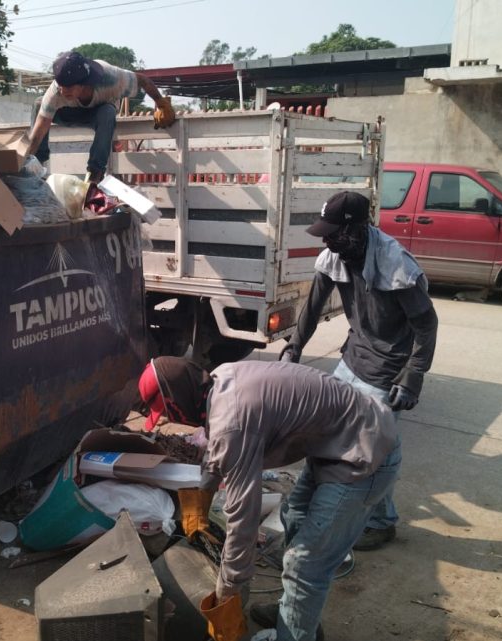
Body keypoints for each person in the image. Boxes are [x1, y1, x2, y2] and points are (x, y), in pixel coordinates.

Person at [138, 356, 401, 641]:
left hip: (364, 452)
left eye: (167, 412)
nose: (170, 419)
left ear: (178, 401)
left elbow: (243, 520)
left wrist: (227, 594)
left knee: (305, 565)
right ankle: (297, 613)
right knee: (294, 516)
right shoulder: (219, 381)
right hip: (337, 441)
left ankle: (297, 632)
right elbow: (218, 449)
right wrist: (199, 502)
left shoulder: (233, 421)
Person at [280, 190, 438, 551]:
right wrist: (294, 347)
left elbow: (427, 325)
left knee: (371, 452)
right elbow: (312, 307)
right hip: (353, 358)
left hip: (388, 371)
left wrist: (413, 375)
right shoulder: (334, 256)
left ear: (358, 229)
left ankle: (381, 522)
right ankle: (344, 508)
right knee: (335, 437)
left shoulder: (396, 265)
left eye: (334, 233)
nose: (327, 240)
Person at [26, 51, 176, 185]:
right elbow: (39, 130)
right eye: (60, 86)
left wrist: (161, 103)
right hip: (69, 113)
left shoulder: (111, 79)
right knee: (39, 104)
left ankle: (94, 177)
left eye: (70, 88)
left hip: (98, 114)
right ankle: (36, 168)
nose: (64, 91)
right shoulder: (56, 92)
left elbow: (143, 80)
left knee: (107, 112)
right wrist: (26, 163)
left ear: (84, 83)